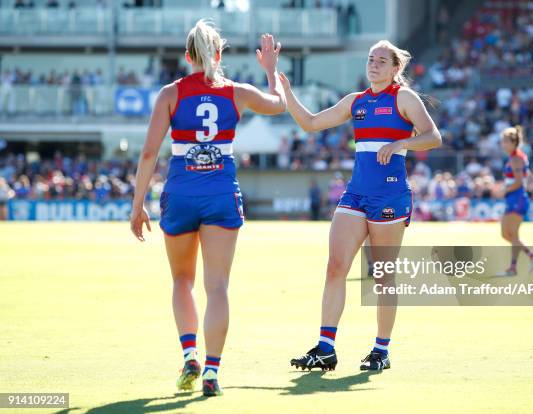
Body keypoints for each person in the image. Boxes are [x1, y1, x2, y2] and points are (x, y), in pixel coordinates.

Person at [129, 21, 285, 397]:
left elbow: (150, 152)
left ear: (188, 56)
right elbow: (279, 105)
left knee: (182, 280)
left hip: (181, 191)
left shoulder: (170, 93)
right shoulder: (237, 92)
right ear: (219, 54)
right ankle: (213, 371)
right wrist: (270, 72)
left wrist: (138, 205)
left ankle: (189, 356)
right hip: (220, 192)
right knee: (217, 287)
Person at [280, 40, 441, 371]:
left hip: (390, 196)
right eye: (371, 59)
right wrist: (284, 89)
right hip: (355, 194)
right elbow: (310, 123)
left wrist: (400, 142)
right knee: (335, 266)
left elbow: (433, 136)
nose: (374, 64)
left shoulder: (404, 98)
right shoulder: (356, 101)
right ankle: (325, 347)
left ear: (396, 68)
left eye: (382, 61)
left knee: (381, 276)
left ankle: (381, 350)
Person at [496, 126, 533, 276]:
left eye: (505, 141)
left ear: (513, 142)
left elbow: (518, 181)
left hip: (517, 198)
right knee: (506, 234)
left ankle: (513, 268)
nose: (503, 144)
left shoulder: (516, 158)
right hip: (513, 198)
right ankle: (531, 255)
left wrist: (504, 190)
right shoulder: (514, 157)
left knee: (513, 234)